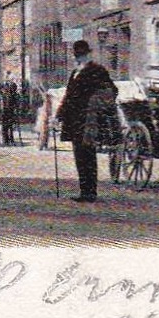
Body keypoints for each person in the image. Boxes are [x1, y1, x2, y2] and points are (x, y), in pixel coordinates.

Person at [56, 40, 116, 203]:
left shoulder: (97, 70)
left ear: (88, 54)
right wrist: (59, 113)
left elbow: (111, 91)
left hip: (90, 119)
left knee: (88, 154)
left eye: (81, 54)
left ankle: (90, 191)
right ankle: (84, 190)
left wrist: (94, 103)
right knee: (79, 155)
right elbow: (69, 95)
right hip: (74, 120)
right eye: (77, 55)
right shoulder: (75, 72)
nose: (79, 57)